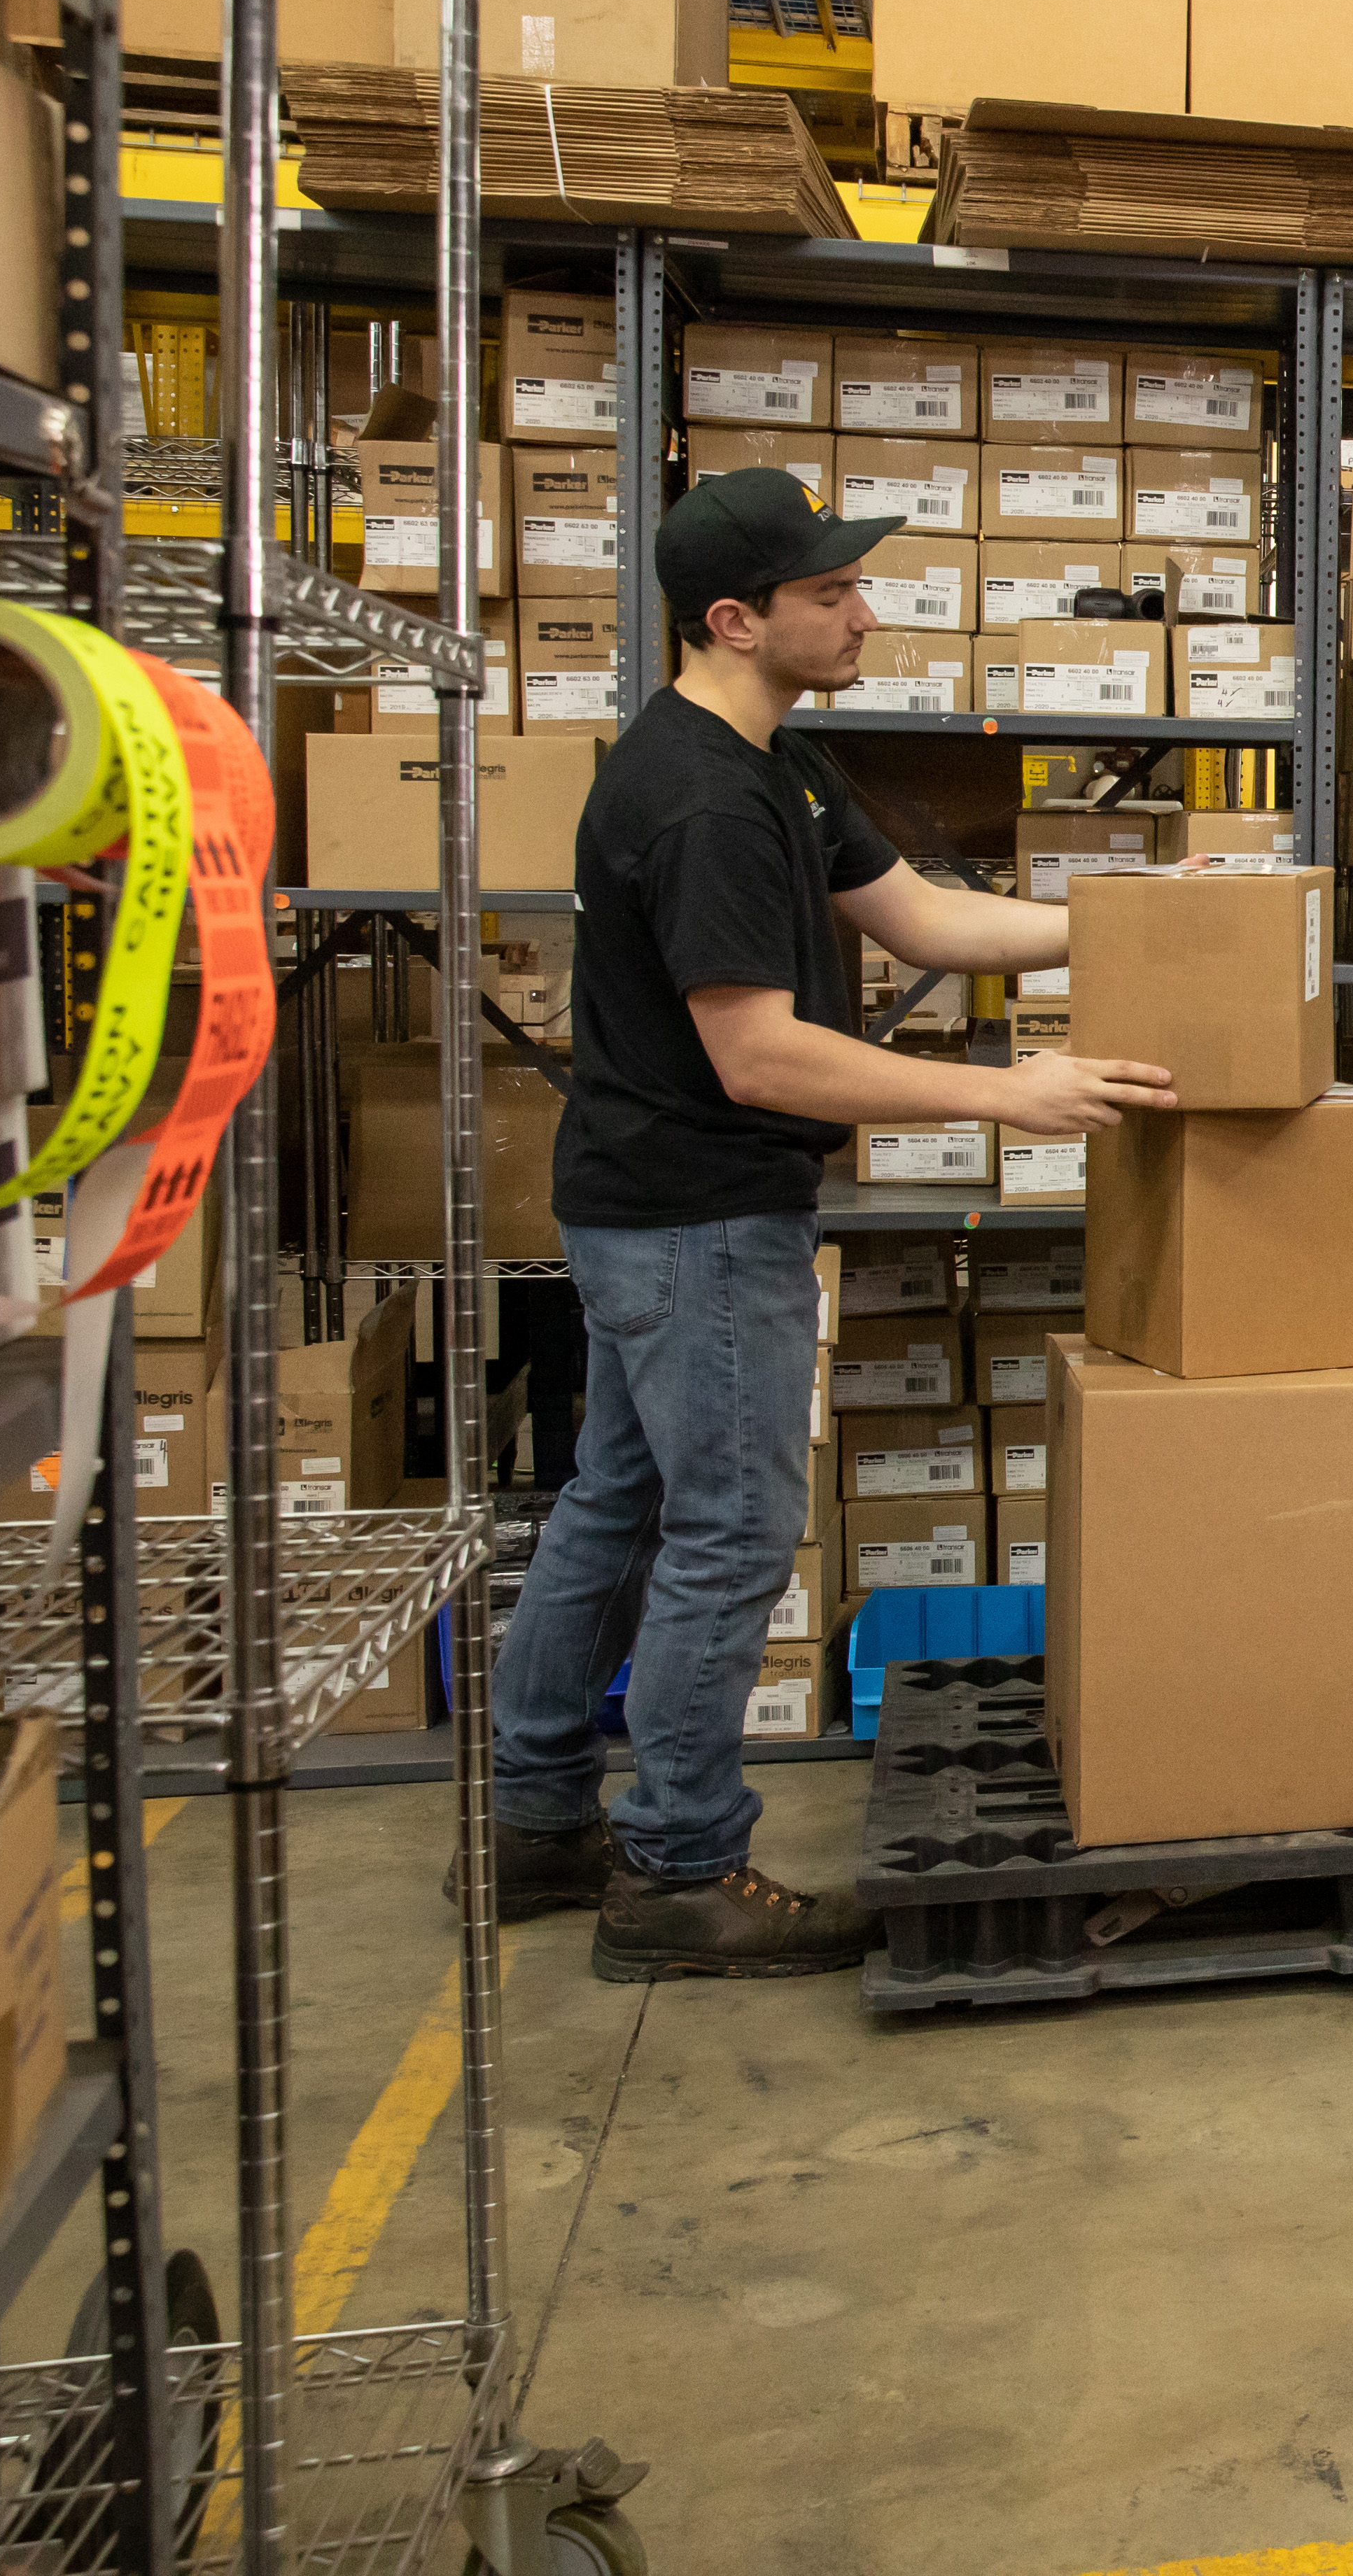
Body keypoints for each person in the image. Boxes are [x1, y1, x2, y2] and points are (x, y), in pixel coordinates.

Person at [486, 469, 1176, 1980]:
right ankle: (676, 1866)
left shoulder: (776, 768)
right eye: (830, 593)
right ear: (736, 619)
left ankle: (536, 1817)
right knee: (728, 1531)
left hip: (646, 1205)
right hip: (700, 1215)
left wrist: (1150, 915)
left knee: (618, 1503)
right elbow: (762, 1055)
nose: (865, 611)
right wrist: (1010, 1092)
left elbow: (927, 918)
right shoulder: (700, 799)